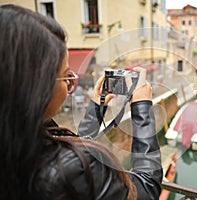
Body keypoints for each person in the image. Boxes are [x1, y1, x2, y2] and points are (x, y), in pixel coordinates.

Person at [0, 4, 162, 200]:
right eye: (65, 74)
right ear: (37, 87)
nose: (70, 82)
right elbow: (147, 187)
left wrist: (96, 110)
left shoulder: (22, 135)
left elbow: (66, 147)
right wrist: (142, 107)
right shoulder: (72, 171)